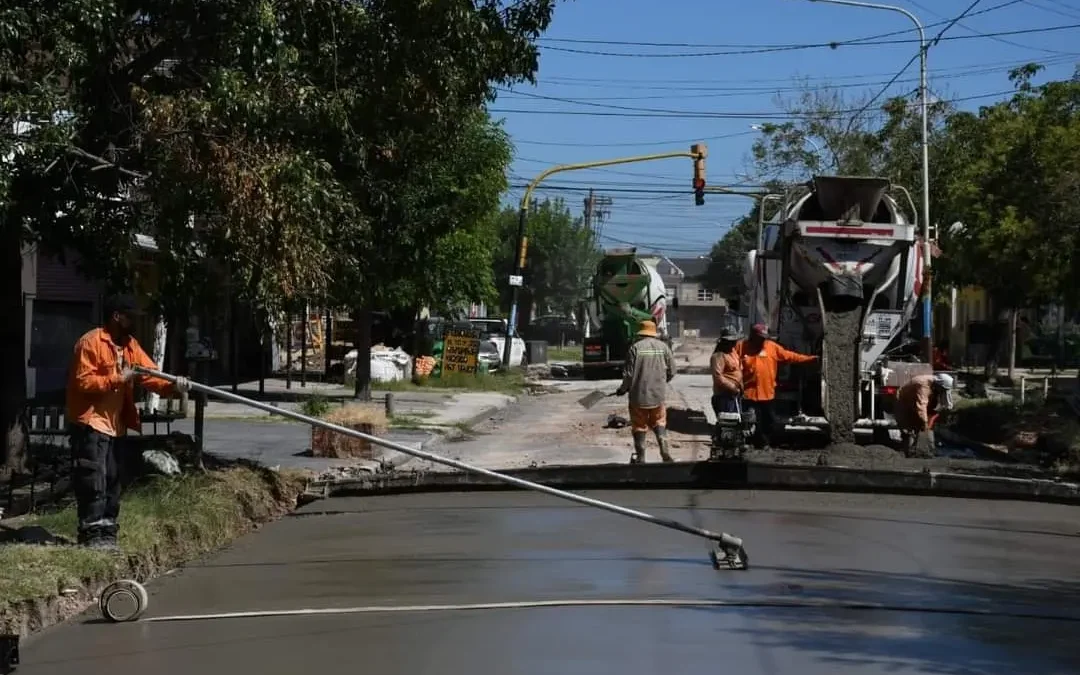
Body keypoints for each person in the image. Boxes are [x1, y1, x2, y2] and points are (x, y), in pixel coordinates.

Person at [66, 294, 190, 550]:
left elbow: (150, 375)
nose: (135, 322)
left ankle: (108, 532)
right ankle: (91, 534)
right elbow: (83, 382)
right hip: (91, 423)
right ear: (116, 316)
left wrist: (175, 385)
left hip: (116, 425)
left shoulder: (131, 346)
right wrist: (118, 378)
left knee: (113, 478)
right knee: (93, 478)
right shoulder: (91, 342)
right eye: (130, 317)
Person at [735, 323, 817, 448]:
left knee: (768, 421)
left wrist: (810, 359)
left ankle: (766, 442)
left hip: (767, 393)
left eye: (764, 338)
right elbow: (730, 361)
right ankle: (749, 442)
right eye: (760, 337)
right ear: (753, 336)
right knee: (749, 419)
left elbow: (791, 356)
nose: (763, 340)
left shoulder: (772, 347)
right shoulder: (741, 347)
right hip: (748, 393)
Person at [614, 319, 676, 464]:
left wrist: (622, 389)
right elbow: (672, 371)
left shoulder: (635, 348)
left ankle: (641, 458)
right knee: (659, 422)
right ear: (654, 333)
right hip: (658, 396)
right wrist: (661, 382)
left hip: (638, 397)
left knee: (639, 426)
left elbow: (628, 375)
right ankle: (664, 449)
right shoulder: (664, 347)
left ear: (641, 333)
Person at [895, 372, 955, 457]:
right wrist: (925, 423)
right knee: (908, 429)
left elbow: (943, 400)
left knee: (920, 426)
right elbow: (921, 406)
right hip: (904, 404)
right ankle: (909, 453)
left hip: (914, 403)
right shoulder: (923, 385)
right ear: (939, 386)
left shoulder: (935, 384)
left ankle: (925, 450)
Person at [710, 329, 742, 416]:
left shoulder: (733, 353)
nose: (734, 344)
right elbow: (718, 377)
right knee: (728, 421)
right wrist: (733, 388)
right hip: (724, 396)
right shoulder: (718, 356)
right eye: (731, 341)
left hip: (735, 394)